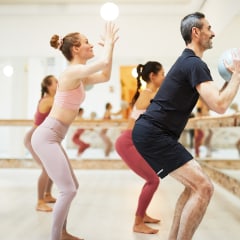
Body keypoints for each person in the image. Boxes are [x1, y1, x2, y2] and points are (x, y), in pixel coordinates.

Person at [132, 12, 240, 240]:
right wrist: (238, 75)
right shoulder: (193, 64)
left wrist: (232, 80)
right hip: (154, 133)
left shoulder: (189, 62)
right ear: (196, 32)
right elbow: (220, 106)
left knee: (194, 186)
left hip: (154, 133)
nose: (213, 33)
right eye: (209, 28)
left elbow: (214, 101)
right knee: (204, 187)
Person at [31, 22, 119, 240]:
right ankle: (55, 237)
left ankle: (62, 232)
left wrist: (112, 47)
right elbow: (104, 61)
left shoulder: (78, 76)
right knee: (68, 190)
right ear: (76, 49)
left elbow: (105, 75)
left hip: (53, 137)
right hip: (46, 137)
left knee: (72, 187)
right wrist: (108, 44)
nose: (91, 45)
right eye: (87, 42)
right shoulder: (71, 73)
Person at [115, 61, 165, 234]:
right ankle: (137, 223)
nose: (164, 78)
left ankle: (142, 215)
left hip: (133, 141)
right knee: (153, 180)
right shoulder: (148, 95)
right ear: (153, 76)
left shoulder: (150, 94)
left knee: (151, 179)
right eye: (162, 74)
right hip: (128, 142)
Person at [24, 75, 57, 212]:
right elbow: (64, 108)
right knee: (46, 167)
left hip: (41, 138)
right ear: (49, 86)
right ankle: (40, 202)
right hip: (33, 138)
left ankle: (48, 194)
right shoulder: (49, 100)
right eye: (56, 82)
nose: (59, 83)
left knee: (52, 166)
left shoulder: (50, 99)